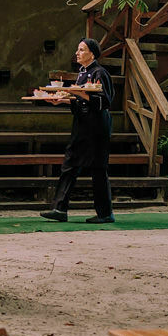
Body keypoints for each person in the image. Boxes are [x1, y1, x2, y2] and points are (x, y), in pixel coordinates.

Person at [38, 37, 116, 224]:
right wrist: (61, 100)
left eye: (81, 50)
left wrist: (79, 93)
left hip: (97, 125)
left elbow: (104, 101)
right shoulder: (82, 73)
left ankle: (105, 213)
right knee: (70, 163)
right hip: (82, 123)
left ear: (92, 53)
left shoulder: (100, 73)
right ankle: (60, 208)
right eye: (78, 49)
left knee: (98, 168)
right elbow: (80, 100)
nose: (77, 53)